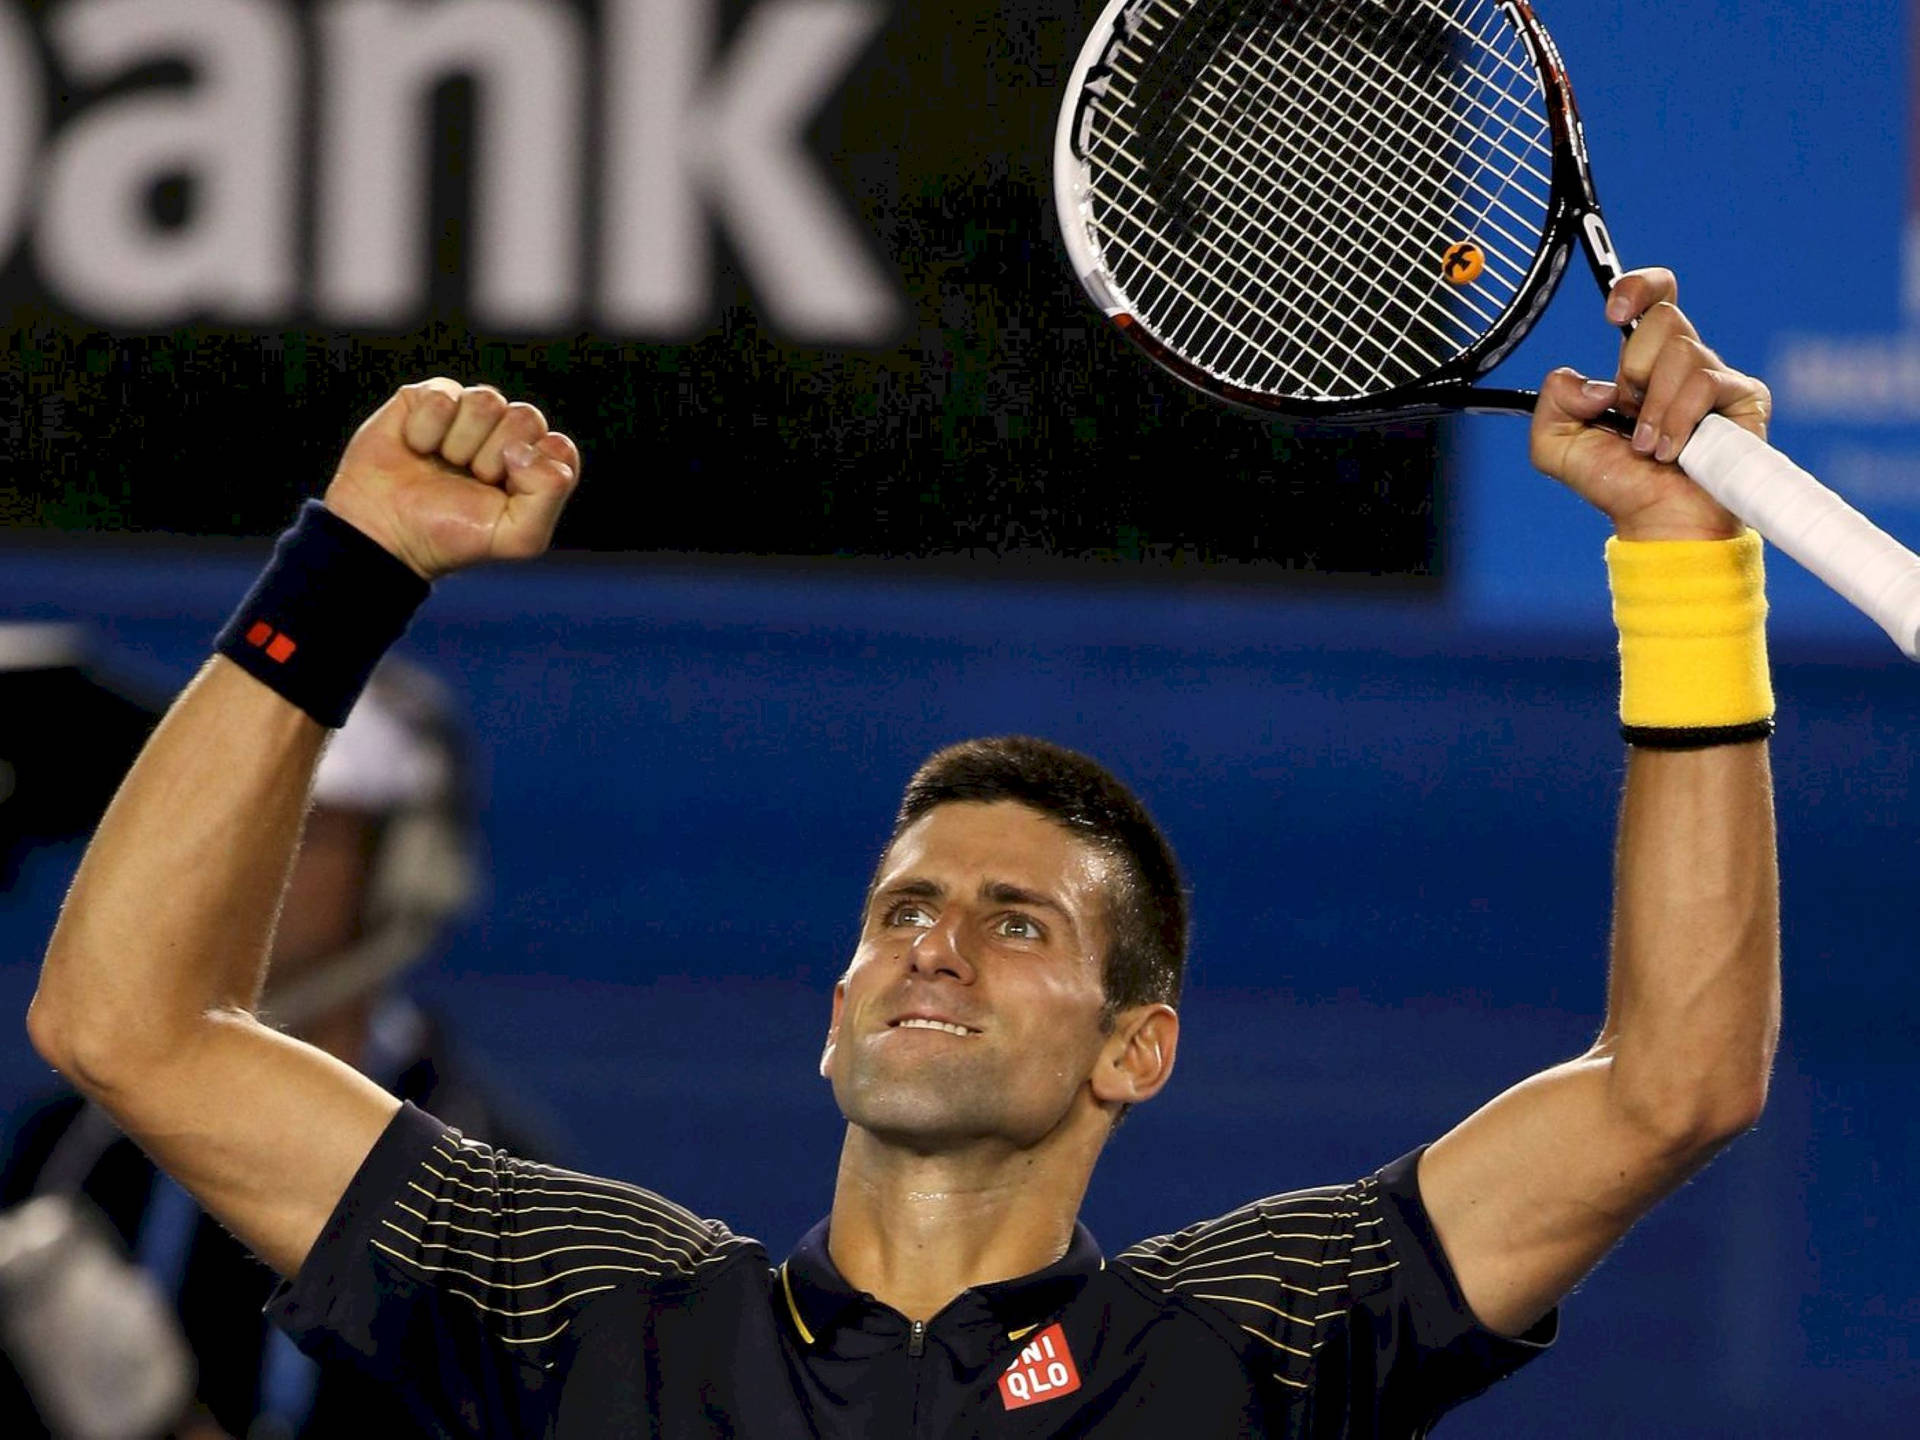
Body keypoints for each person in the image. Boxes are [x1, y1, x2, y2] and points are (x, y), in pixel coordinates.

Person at [25, 269, 1779, 1437]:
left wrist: (1691, 571)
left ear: (1135, 1048)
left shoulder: (1236, 1348)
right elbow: (131, 1027)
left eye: (1019, 922)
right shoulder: (597, 1321)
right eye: (905, 908)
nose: (937, 941)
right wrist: (343, 569)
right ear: (837, 1001)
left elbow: (1671, 1085)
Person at [1, 661, 550, 1440]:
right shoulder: (70, 1151)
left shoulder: (478, 1189)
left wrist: (158, 1423)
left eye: (305, 827)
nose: (251, 862)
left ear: (403, 867)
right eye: (231, 823)